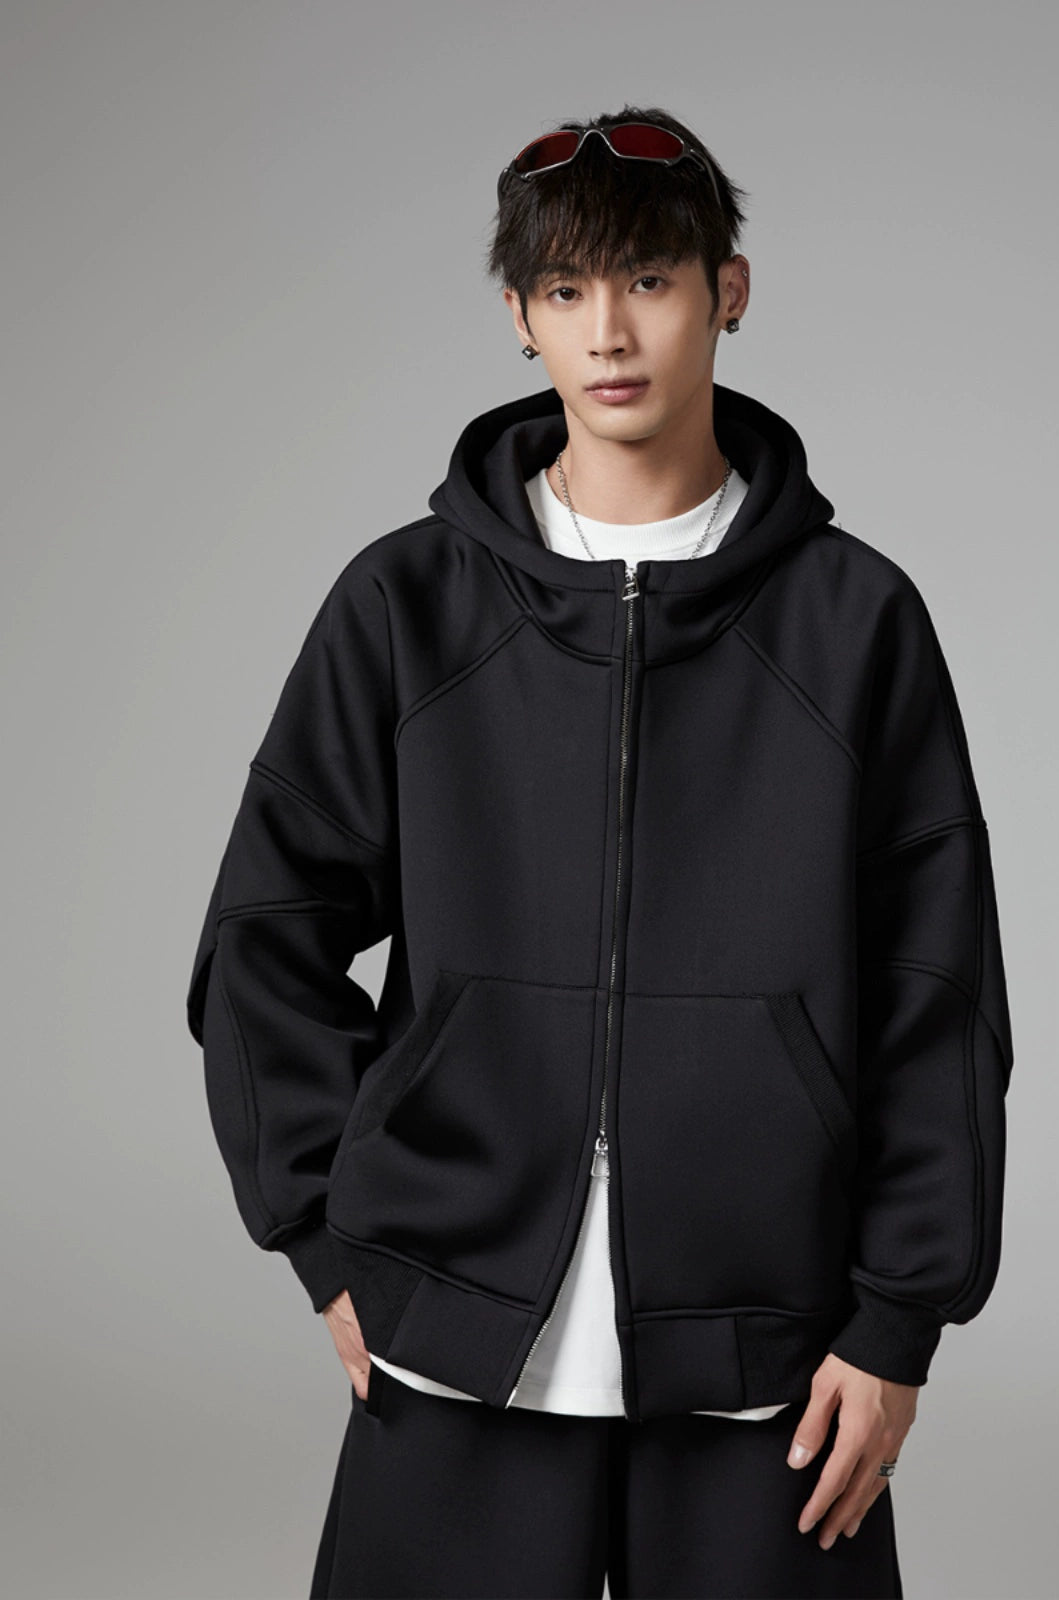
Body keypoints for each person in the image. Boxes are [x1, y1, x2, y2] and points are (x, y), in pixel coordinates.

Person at [186, 103, 1014, 1599]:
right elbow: (265, 930)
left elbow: (938, 995)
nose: (609, 331)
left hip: (772, 1355)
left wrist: (898, 1323)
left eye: (648, 280)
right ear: (519, 316)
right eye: (565, 290)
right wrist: (321, 1233)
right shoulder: (407, 608)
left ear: (727, 291)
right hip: (452, 1335)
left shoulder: (854, 623)